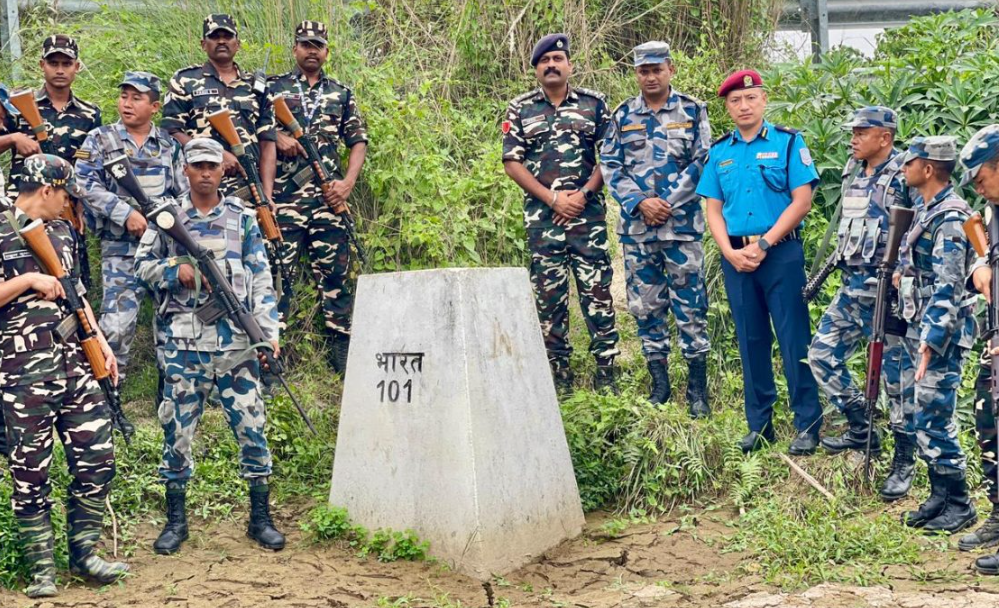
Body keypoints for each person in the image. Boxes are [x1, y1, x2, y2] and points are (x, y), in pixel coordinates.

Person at [135, 138, 285, 555]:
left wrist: (267, 335)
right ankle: (176, 521)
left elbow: (260, 280)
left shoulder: (242, 218)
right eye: (197, 165)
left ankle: (260, 518)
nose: (205, 172)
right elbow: (141, 267)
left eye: (212, 166)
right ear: (185, 169)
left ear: (223, 171)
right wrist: (174, 268)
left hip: (237, 347)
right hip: (183, 346)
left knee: (252, 430)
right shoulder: (166, 218)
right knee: (177, 433)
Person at [0, 155, 128, 597]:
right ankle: (42, 572)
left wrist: (102, 343)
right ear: (47, 189)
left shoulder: (60, 232)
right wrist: (28, 280)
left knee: (97, 457)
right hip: (20, 374)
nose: (69, 204)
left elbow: (75, 292)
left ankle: (85, 554)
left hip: (73, 365)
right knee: (29, 472)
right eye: (65, 195)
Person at [695, 69, 823, 455]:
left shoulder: (788, 143)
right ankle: (760, 424)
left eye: (751, 98)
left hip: (780, 253)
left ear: (764, 100)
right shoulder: (721, 152)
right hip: (736, 258)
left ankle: (807, 423)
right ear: (727, 108)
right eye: (735, 101)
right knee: (750, 341)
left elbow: (802, 201)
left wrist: (765, 243)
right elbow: (712, 208)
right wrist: (728, 251)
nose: (744, 106)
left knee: (792, 338)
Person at [806, 106, 916, 500]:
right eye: (852, 131)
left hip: (890, 292)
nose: (852, 138)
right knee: (821, 354)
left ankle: (904, 459)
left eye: (861, 132)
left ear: (884, 137)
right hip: (853, 287)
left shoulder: (905, 173)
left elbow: (916, 229)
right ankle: (862, 424)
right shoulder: (854, 173)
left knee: (897, 378)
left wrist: (905, 274)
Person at [502, 33, 619, 394]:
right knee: (549, 297)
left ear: (569, 64)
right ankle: (558, 376)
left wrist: (582, 195)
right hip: (544, 221)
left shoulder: (594, 105)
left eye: (558, 59)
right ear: (536, 69)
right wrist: (553, 200)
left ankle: (607, 371)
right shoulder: (520, 109)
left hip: (588, 219)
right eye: (544, 61)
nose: (551, 65)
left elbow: (610, 157)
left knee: (597, 292)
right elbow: (512, 162)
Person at [600, 41, 711, 415]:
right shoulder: (622, 115)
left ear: (670, 68)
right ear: (636, 73)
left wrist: (667, 202)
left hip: (681, 227)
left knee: (691, 305)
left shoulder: (693, 111)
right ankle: (659, 384)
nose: (650, 76)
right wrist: (640, 203)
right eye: (643, 71)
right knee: (646, 307)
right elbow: (611, 166)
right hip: (638, 229)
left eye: (656, 69)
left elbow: (702, 162)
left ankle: (697, 389)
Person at [266, 20, 368, 373]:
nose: (312, 50)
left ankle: (341, 355)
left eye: (318, 45)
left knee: (337, 277)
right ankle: (273, 357)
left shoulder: (341, 92)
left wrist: (347, 183)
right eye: (305, 44)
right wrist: (277, 139)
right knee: (279, 276)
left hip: (328, 199)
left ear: (326, 51)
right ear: (295, 49)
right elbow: (257, 133)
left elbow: (358, 141)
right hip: (284, 200)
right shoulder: (272, 89)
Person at [75, 71, 189, 386]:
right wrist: (124, 212)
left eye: (136, 97)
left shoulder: (168, 145)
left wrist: (165, 224)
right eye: (124, 96)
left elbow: (183, 194)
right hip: (121, 249)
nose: (127, 103)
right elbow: (83, 183)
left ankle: (173, 396)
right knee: (116, 327)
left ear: (154, 107)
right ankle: (108, 397)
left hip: (162, 252)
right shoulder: (100, 139)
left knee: (171, 325)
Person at [895, 136, 977, 535]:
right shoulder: (928, 210)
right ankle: (939, 495)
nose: (903, 167)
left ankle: (959, 501)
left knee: (936, 415)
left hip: (941, 332)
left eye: (909, 162)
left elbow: (949, 285)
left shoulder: (950, 217)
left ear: (928, 169)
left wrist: (930, 340)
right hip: (922, 323)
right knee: (921, 412)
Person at [0, 34, 102, 290]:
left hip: (63, 204)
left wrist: (79, 203)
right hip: (21, 204)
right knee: (18, 265)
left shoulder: (90, 113)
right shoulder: (17, 106)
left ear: (76, 67)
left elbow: (88, 159)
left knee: (70, 271)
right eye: (53, 62)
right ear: (41, 65)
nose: (59, 69)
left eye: (66, 63)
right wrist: (13, 139)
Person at [160, 14, 276, 200]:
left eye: (227, 36)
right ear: (203, 44)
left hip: (251, 189)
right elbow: (170, 131)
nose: (221, 41)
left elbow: (268, 142)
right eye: (214, 36)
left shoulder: (256, 86)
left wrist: (267, 196)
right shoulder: (185, 80)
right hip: (202, 189)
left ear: (237, 44)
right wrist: (217, 154)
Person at [957, 124, 999, 571]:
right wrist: (981, 266)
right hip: (994, 336)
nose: (975, 185)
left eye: (980, 176)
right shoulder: (988, 213)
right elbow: (981, 252)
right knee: (988, 419)